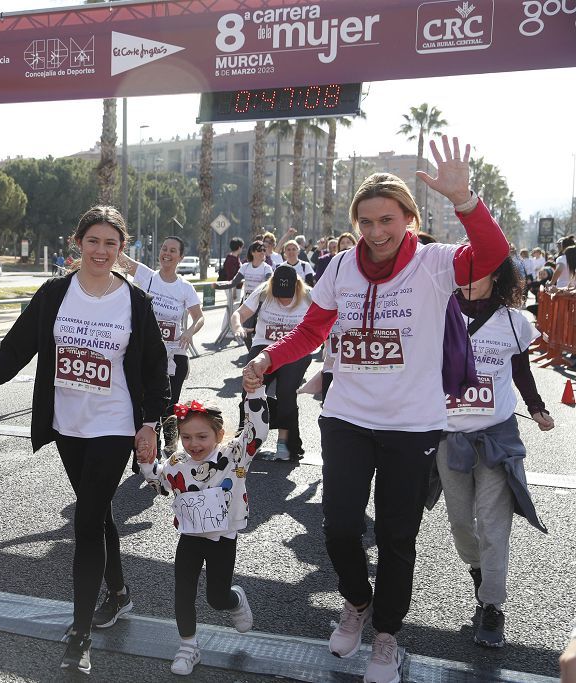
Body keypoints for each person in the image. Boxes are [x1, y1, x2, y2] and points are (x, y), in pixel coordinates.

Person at [242, 136, 508, 683]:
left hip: (413, 426)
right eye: (366, 221)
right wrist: (270, 357)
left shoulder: (435, 263)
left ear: (408, 218)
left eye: (387, 220)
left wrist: (465, 200)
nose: (376, 232)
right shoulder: (340, 266)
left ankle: (386, 634)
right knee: (339, 528)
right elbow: (314, 328)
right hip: (346, 417)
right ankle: (356, 602)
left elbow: (492, 254)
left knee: (395, 536)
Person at [0, 205, 169, 675]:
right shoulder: (54, 295)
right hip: (68, 424)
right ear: (78, 243)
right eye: (93, 241)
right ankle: (119, 592)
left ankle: (80, 632)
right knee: (98, 512)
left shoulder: (134, 302)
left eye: (111, 243)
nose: (101, 250)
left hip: (114, 423)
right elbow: (15, 347)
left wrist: (151, 423)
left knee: (87, 521)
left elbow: (155, 368)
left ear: (122, 249)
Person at [428, 257, 553, 649]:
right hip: (450, 439)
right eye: (460, 274)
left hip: (498, 437)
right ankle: (480, 572)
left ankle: (493, 605)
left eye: (476, 273)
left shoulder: (514, 322)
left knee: (495, 526)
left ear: (496, 275)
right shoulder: (436, 313)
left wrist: (536, 407)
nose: (466, 282)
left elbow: (520, 369)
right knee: (462, 524)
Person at [137, 391, 269, 676]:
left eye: (202, 437)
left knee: (216, 598)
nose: (193, 444)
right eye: (186, 437)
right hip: (190, 537)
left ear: (219, 435)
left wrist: (255, 392)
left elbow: (257, 430)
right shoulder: (176, 462)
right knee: (182, 593)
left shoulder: (235, 455)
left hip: (222, 538)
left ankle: (234, 600)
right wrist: (147, 462)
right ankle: (188, 646)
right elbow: (161, 486)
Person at [117, 236, 204, 455]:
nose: (167, 253)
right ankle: (148, 450)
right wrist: (116, 237)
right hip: (148, 354)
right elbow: (120, 259)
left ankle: (171, 443)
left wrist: (189, 331)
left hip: (175, 355)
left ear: (180, 257)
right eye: (164, 248)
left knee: (169, 403)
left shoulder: (185, 287)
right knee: (146, 401)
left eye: (173, 250)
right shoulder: (147, 276)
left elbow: (199, 317)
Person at [231, 265, 313, 461]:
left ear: (297, 286)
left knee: (286, 392)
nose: (282, 300)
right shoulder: (263, 292)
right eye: (279, 294)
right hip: (263, 347)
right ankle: (248, 436)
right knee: (250, 387)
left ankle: (285, 442)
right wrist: (238, 328)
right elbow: (238, 314)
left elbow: (326, 321)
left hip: (295, 349)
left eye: (287, 295)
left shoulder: (310, 296)